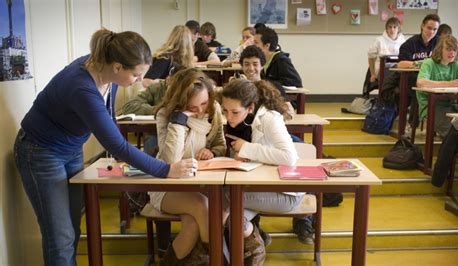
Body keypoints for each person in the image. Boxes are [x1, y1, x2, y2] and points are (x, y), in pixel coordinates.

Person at [13, 28, 196, 265]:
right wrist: (166, 169)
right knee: (60, 237)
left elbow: (109, 123)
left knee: (72, 229)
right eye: (137, 75)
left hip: (70, 148)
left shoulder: (107, 73)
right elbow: (117, 145)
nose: (140, 81)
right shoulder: (81, 86)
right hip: (41, 151)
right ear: (118, 66)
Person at [149, 68, 226, 264]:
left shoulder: (213, 110)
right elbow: (170, 160)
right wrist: (180, 120)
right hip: (166, 185)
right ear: (181, 103)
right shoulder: (166, 115)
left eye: (204, 103)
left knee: (192, 224)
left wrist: (213, 152)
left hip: (200, 183)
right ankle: (221, 261)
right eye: (193, 107)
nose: (200, 110)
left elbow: (220, 145)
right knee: (202, 205)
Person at [222, 79, 301, 265]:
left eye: (234, 112)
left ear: (250, 107)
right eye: (225, 111)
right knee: (230, 219)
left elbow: (289, 157)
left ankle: (235, 254)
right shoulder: (243, 119)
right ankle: (255, 245)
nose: (228, 117)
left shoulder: (269, 118)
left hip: (285, 192)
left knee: (222, 198)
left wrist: (248, 149)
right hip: (259, 187)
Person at [416, 35, 458, 138]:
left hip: (452, 107)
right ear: (440, 50)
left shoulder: (456, 66)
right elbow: (421, 83)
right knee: (456, 133)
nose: (452, 53)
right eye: (448, 49)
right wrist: (450, 83)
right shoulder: (429, 63)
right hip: (431, 107)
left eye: (454, 50)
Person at [364, 17, 405, 96]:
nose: (392, 30)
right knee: (391, 82)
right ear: (386, 29)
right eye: (390, 27)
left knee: (405, 80)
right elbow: (371, 57)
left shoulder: (403, 41)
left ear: (398, 29)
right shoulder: (379, 40)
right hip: (383, 69)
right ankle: (385, 102)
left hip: (397, 69)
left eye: (394, 27)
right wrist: (372, 74)